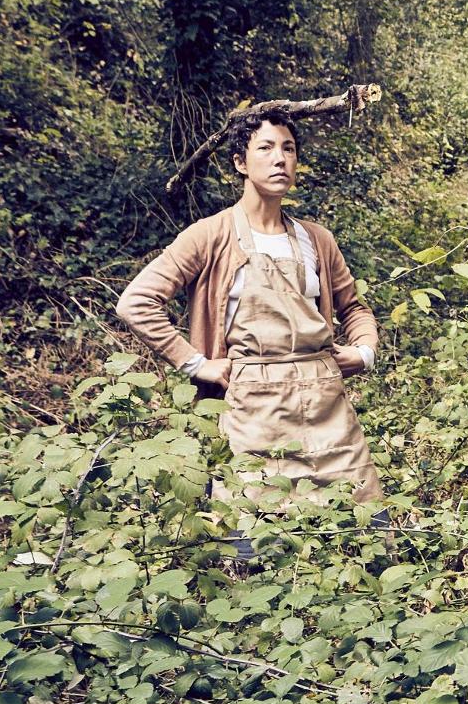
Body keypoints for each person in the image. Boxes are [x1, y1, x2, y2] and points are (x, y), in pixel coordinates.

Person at [116, 109, 383, 511]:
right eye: (266, 148)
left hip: (327, 401)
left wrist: (364, 351)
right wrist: (194, 363)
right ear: (240, 162)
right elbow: (136, 302)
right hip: (252, 407)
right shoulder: (210, 235)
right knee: (254, 530)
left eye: (289, 149)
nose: (280, 159)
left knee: (362, 518)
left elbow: (355, 309)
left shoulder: (317, 239)